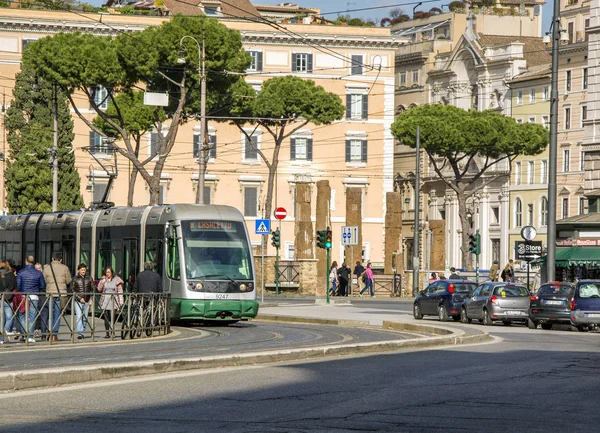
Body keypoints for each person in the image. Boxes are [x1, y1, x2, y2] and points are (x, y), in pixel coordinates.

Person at [43, 253, 72, 342]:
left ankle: (49, 332)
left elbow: (43, 280)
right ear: (61, 260)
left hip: (50, 294)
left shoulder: (46, 268)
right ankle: (54, 335)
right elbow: (68, 281)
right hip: (61, 294)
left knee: (50, 314)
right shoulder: (65, 268)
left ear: (52, 258)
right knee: (57, 315)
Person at [16, 255, 46, 343]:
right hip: (34, 296)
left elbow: (18, 285)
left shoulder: (21, 272)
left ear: (26, 261)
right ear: (33, 262)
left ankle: (24, 334)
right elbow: (42, 285)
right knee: (32, 316)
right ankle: (30, 335)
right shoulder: (38, 273)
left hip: (23, 296)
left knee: (22, 315)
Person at [97, 267, 124, 339]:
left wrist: (121, 301)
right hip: (105, 300)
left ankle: (113, 331)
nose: (108, 274)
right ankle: (107, 333)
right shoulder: (104, 279)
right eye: (106, 272)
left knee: (112, 317)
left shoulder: (117, 280)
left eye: (109, 272)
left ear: (112, 272)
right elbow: (99, 289)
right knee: (106, 317)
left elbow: (120, 291)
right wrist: (102, 281)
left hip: (114, 300)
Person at [70, 263, 93, 340]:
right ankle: (80, 333)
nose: (83, 271)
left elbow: (92, 289)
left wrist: (90, 299)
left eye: (84, 270)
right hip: (78, 301)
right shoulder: (75, 278)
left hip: (87, 300)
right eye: (82, 270)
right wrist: (79, 298)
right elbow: (72, 290)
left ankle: (83, 330)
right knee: (79, 317)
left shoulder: (89, 278)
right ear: (78, 270)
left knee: (85, 318)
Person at [0, 260, 17, 345]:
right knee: (9, 317)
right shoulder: (11, 275)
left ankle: (1, 337)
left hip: (0, 298)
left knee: (0, 319)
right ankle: (4, 331)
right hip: (8, 298)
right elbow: (13, 286)